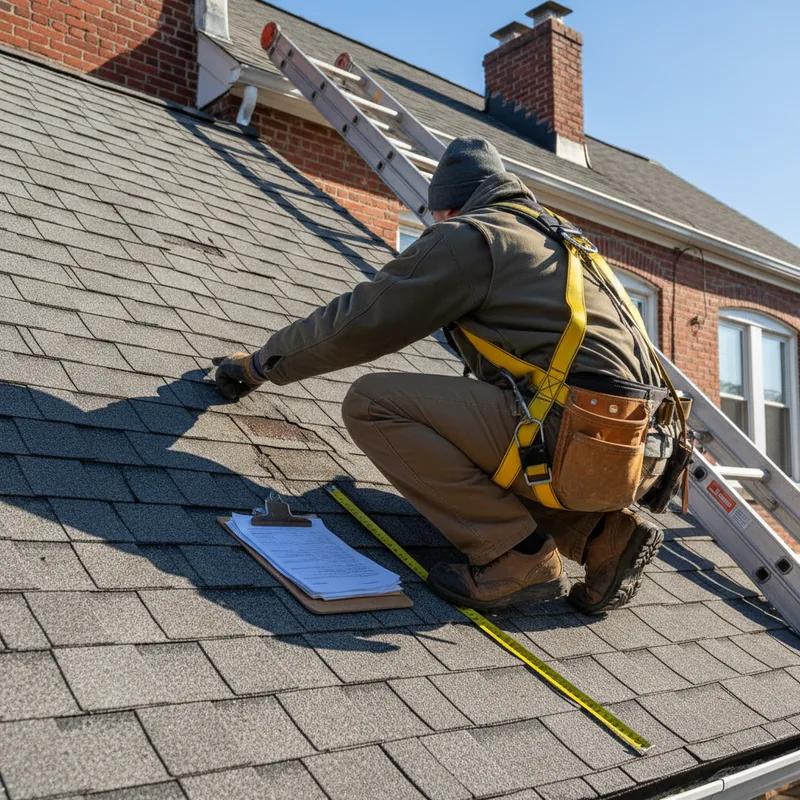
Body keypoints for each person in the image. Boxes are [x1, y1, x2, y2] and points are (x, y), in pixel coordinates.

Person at [213, 137, 683, 613]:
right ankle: (603, 537)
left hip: (567, 438)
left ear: (447, 207)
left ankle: (516, 555)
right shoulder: (560, 240)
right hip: (633, 453)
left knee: (373, 403)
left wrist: (260, 364)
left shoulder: (472, 237)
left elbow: (358, 322)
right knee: (494, 410)